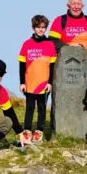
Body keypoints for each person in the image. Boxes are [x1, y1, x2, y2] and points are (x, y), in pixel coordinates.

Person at [48, 0, 87, 87]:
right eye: (73, 4)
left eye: (78, 4)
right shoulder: (60, 20)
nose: (76, 6)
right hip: (66, 66)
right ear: (68, 6)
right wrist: (69, 48)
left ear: (83, 6)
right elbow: (52, 41)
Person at [18, 14, 57, 143]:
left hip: (44, 84)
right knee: (29, 109)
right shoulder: (26, 44)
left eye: (43, 27)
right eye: (38, 27)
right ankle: (27, 133)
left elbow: (52, 66)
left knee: (41, 109)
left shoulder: (50, 44)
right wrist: (22, 83)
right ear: (33, 28)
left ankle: (38, 133)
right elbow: (22, 66)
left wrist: (50, 83)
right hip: (30, 83)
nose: (41, 30)